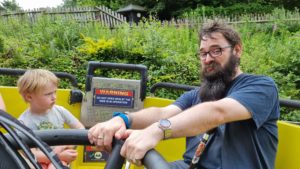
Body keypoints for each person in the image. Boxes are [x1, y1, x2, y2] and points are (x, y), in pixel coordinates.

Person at [88, 20, 280, 169]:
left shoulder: (261, 87)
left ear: (237, 50)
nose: (207, 59)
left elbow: (217, 112)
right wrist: (123, 120)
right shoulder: (196, 95)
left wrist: (157, 131)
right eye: (203, 53)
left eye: (216, 51)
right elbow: (163, 114)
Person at [17, 69, 85, 169]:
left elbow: (80, 130)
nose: (54, 97)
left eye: (55, 92)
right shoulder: (22, 122)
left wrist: (65, 146)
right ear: (29, 97)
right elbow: (29, 154)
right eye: (48, 94)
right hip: (38, 161)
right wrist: (58, 156)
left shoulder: (60, 111)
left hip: (60, 158)